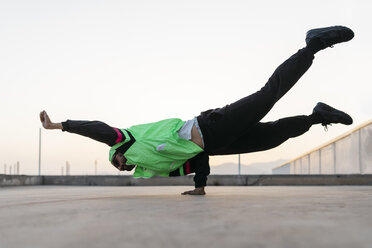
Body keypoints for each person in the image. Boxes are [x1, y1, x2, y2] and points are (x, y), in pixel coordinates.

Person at [40, 25, 354, 195]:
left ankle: (312, 45)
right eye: (121, 168)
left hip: (210, 126)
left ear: (117, 153)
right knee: (273, 137)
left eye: (118, 163)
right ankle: (317, 116)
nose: (122, 166)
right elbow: (193, 157)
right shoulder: (151, 166)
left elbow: (97, 128)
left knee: (268, 95)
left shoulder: (128, 141)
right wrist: (200, 187)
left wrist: (61, 126)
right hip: (218, 144)